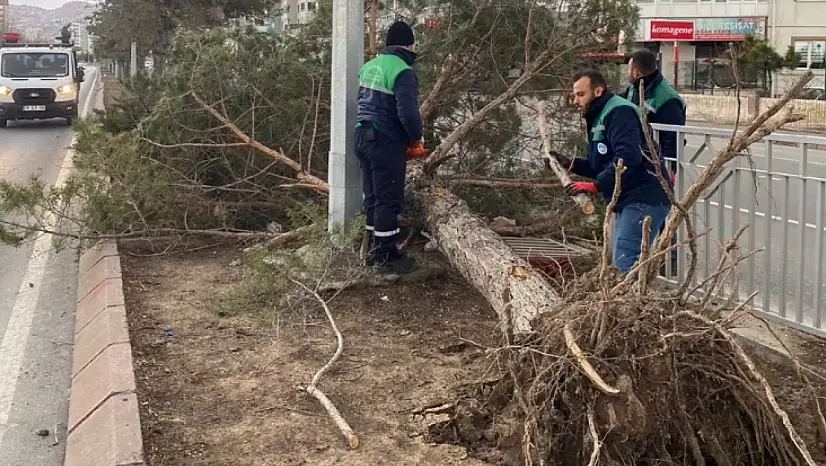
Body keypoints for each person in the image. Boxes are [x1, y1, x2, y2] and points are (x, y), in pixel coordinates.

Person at [550, 69, 673, 273]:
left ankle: (630, 293)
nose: (575, 101)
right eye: (574, 95)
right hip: (632, 199)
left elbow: (628, 158)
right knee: (624, 260)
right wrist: (570, 164)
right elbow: (600, 164)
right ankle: (634, 290)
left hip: (644, 198)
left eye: (581, 94)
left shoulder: (620, 112)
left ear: (598, 91)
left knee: (624, 262)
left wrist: (596, 186)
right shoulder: (600, 115)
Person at [354, 21, 424, 274]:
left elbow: (363, 101)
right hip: (384, 141)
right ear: (408, 45)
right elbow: (407, 113)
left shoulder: (369, 66)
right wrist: (416, 138)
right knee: (388, 199)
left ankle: (374, 248)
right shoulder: (403, 71)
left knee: (372, 197)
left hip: (362, 136)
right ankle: (386, 257)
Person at [620, 50, 686, 274]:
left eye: (629, 68)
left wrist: (668, 170)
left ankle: (670, 259)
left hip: (659, 164)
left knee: (662, 208)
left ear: (636, 71)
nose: (627, 72)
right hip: (639, 161)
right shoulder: (634, 89)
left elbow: (673, 137)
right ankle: (643, 257)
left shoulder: (666, 98)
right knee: (642, 208)